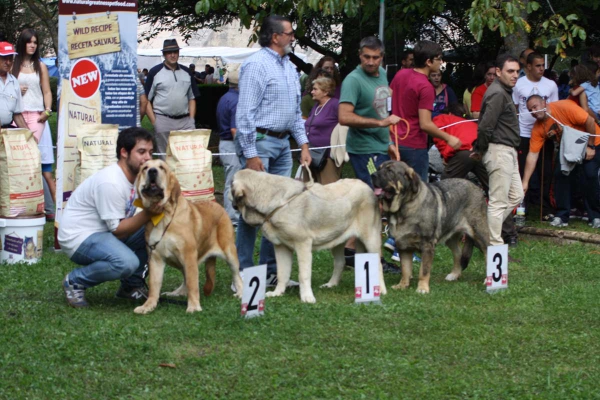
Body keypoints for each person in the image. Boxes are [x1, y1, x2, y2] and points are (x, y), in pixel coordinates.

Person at [235, 15, 311, 286]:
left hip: (282, 144)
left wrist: (302, 144)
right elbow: (245, 114)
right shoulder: (256, 65)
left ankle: (269, 271)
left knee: (279, 210)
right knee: (250, 211)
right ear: (275, 37)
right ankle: (243, 274)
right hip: (260, 142)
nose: (293, 37)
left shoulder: (289, 67)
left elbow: (293, 113)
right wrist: (251, 154)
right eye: (289, 33)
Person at [59, 127, 161, 308]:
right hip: (79, 237)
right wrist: (149, 213)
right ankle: (75, 280)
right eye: (141, 152)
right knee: (126, 262)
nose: (147, 158)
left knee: (155, 231)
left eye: (150, 152)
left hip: (105, 232)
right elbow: (118, 230)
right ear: (124, 152)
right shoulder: (111, 182)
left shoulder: (138, 177)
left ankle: (130, 286)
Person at [338, 36, 403, 273]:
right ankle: (373, 260)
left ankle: (350, 251)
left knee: (373, 202)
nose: (371, 62)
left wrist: (387, 142)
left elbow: (380, 110)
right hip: (363, 152)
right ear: (359, 55)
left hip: (378, 148)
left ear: (382, 57)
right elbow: (344, 117)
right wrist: (381, 123)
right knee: (377, 202)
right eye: (366, 57)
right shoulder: (353, 80)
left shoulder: (383, 74)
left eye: (376, 57)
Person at [433, 103, 518, 245]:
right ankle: (510, 235)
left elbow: (440, 139)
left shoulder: (440, 119)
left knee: (442, 190)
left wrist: (446, 157)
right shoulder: (470, 122)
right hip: (482, 152)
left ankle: (438, 231)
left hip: (463, 153)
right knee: (496, 192)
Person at [523, 96, 600, 228]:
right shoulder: (538, 127)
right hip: (569, 147)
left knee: (589, 175)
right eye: (530, 110)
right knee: (560, 175)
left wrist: (590, 146)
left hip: (591, 140)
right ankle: (562, 215)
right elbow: (533, 154)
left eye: (535, 107)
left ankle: (596, 216)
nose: (534, 112)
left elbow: (590, 120)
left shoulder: (564, 107)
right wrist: (525, 182)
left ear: (544, 103)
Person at [390, 40, 461, 182]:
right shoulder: (426, 87)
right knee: (419, 196)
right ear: (428, 61)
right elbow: (425, 124)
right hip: (415, 147)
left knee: (397, 191)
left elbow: (387, 98)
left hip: (394, 141)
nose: (441, 62)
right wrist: (449, 138)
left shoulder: (401, 74)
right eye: (439, 59)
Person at [473, 54, 524, 246]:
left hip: (506, 150)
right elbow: (485, 126)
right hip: (498, 150)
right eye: (510, 71)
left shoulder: (503, 91)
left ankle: (482, 231)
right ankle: (494, 245)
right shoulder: (497, 93)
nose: (515, 75)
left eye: (517, 71)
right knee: (498, 202)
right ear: (498, 71)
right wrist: (479, 148)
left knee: (516, 196)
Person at [12, 29, 57, 215]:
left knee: (34, 157)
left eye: (35, 42)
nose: (32, 45)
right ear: (22, 44)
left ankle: (46, 208)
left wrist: (47, 111)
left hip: (37, 115)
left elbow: (47, 92)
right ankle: (23, 205)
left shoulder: (41, 66)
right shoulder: (13, 65)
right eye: (29, 42)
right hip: (17, 115)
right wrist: (16, 90)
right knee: (18, 161)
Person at [512, 52, 558, 219]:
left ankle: (544, 208)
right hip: (524, 133)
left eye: (543, 65)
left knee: (545, 172)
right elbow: (515, 108)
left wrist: (552, 130)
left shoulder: (551, 85)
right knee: (525, 172)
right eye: (538, 66)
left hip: (545, 134)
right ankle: (524, 206)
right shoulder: (518, 84)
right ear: (528, 67)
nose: (541, 69)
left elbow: (553, 109)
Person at [145, 39, 196, 158]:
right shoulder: (155, 72)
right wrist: (155, 122)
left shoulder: (187, 72)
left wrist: (191, 119)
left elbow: (192, 98)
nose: (173, 55)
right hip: (163, 119)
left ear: (178, 53)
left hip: (185, 121)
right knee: (166, 157)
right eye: (169, 52)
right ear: (164, 54)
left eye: (175, 52)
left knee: (187, 157)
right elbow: (146, 100)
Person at [304, 77, 341, 184]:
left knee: (328, 190)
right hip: (311, 154)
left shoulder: (335, 104)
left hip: (327, 157)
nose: (312, 92)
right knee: (309, 189)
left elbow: (346, 124)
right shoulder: (316, 106)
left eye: (315, 89)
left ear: (325, 91)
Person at [216, 70, 241, 227]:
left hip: (224, 143)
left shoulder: (225, 97)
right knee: (233, 182)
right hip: (232, 144)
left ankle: (231, 216)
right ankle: (232, 218)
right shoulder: (237, 100)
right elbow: (235, 130)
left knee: (230, 180)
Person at [0, 42, 27, 129]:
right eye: (4, 58)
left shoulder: (14, 81)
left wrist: (28, 133)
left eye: (10, 59)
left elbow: (17, 113)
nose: (8, 62)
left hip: (6, 130)